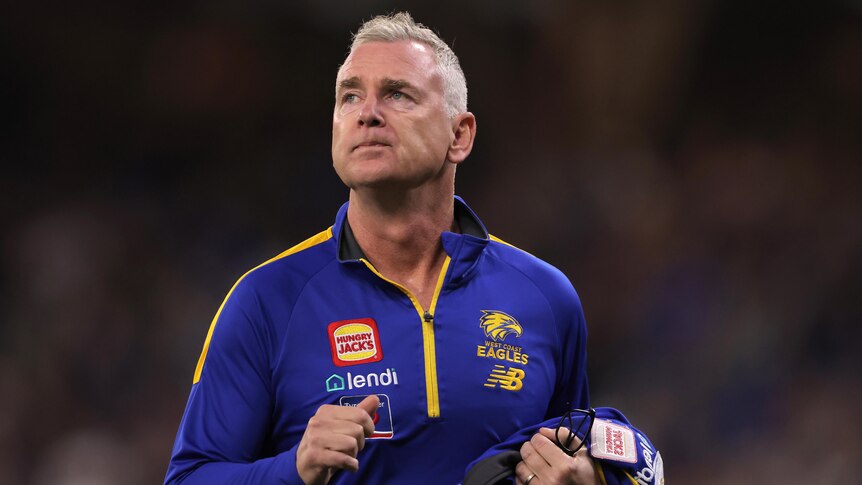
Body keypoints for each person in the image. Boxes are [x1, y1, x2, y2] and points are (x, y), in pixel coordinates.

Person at [166, 12, 598, 485]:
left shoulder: (546, 297)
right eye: (350, 96)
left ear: (460, 135)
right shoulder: (266, 300)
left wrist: (583, 478)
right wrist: (293, 469)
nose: (367, 112)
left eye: (397, 94)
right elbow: (189, 477)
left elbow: (570, 450)